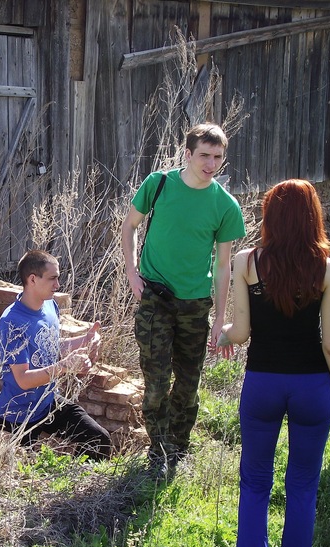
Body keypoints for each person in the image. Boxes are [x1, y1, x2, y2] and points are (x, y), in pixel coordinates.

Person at [217, 180, 330, 547]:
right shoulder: (327, 268)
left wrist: (220, 333)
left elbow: (240, 333)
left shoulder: (246, 261)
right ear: (314, 216)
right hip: (312, 387)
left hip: (263, 384)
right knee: (303, 484)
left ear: (269, 216)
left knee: (256, 481)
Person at [121, 123, 246, 477]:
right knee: (157, 382)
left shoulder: (225, 205)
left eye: (217, 157)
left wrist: (221, 317)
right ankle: (157, 450)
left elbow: (224, 267)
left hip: (195, 305)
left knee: (188, 385)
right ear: (188, 154)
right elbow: (129, 226)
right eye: (204, 155)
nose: (210, 163)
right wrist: (131, 272)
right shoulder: (158, 184)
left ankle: (178, 448)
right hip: (155, 298)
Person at [0, 250, 111, 460]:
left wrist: (84, 341)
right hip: (18, 414)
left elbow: (49, 346)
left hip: (47, 402)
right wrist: (65, 366)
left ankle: (78, 489)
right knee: (27, 474)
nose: (58, 285)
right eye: (52, 278)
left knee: (98, 439)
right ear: (32, 279)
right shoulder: (11, 322)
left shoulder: (50, 305)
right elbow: (23, 379)